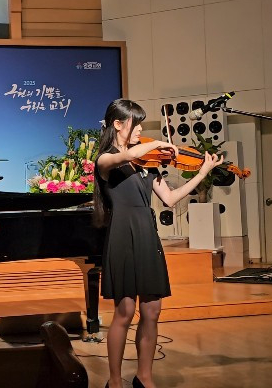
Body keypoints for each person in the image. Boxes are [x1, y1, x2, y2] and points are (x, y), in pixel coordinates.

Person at [93, 99, 222, 388]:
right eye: (135, 124)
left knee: (152, 311)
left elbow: (170, 198)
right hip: (122, 236)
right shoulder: (105, 160)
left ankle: (144, 377)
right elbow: (126, 155)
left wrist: (202, 173)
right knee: (125, 312)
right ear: (117, 124)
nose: (140, 130)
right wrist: (158, 143)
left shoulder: (147, 165)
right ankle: (114, 380)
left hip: (147, 235)